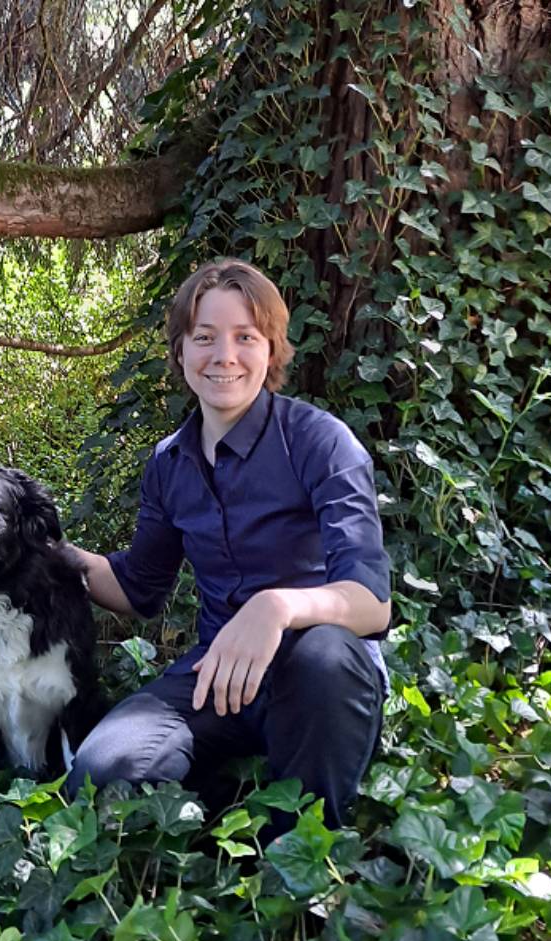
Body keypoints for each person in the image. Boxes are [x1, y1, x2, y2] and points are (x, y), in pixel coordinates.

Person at [69, 258, 391, 834]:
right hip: (221, 675)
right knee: (99, 774)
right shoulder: (170, 464)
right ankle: (219, 798)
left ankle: (301, 847)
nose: (225, 356)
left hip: (321, 676)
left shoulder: (320, 442)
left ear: (271, 350)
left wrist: (278, 606)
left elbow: (371, 602)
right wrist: (46, 551)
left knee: (324, 656)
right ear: (180, 353)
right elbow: (138, 587)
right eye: (204, 338)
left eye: (246, 337)